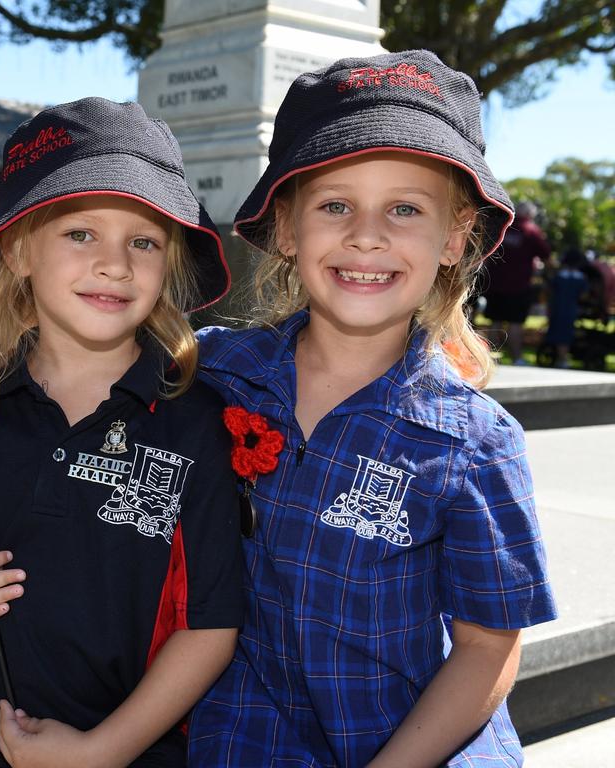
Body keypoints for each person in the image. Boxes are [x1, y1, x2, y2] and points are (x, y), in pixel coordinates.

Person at [185, 50, 557, 767]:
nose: (366, 234)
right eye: (334, 205)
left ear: (454, 239)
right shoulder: (218, 367)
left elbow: (488, 648)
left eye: (405, 209)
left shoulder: (476, 444)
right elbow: (94, 364)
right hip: (246, 741)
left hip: (407, 745)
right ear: (288, 230)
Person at [0, 97, 245, 768]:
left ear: (168, 263)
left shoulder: (197, 423)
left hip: (129, 752)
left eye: (143, 241)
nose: (115, 263)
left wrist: (101, 752)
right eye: (80, 233)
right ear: (19, 249)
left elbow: (211, 626)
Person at [483, 201, 550, 364]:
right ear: (530, 214)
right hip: (518, 285)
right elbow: (546, 254)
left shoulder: (503, 228)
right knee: (515, 323)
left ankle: (489, 359)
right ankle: (517, 358)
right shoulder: (531, 230)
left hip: (495, 283)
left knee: (495, 321)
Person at [544, 247, 589, 368]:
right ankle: (562, 358)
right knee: (565, 334)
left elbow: (550, 292)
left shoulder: (559, 276)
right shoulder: (581, 278)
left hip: (557, 308)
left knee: (556, 330)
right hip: (570, 309)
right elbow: (583, 296)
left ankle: (558, 355)